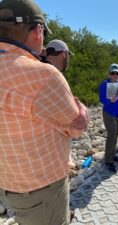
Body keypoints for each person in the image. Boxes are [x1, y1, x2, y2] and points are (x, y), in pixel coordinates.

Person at [0, 1, 88, 225]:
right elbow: (77, 127)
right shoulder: (43, 76)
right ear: (38, 31)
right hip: (42, 188)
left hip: (9, 182)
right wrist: (81, 107)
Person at [43, 39, 76, 168]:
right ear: (63, 54)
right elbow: (72, 119)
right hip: (50, 155)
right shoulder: (54, 75)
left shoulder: (34, 65)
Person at [99, 64, 118, 173]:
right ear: (109, 73)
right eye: (113, 73)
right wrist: (110, 100)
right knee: (111, 135)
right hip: (109, 113)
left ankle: (112, 154)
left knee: (116, 134)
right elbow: (101, 99)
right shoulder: (105, 84)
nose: (115, 75)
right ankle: (108, 160)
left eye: (117, 73)